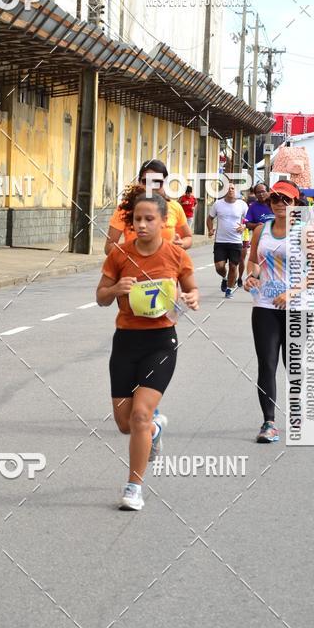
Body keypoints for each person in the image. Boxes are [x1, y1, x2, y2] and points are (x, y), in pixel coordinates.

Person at [97, 191, 200, 511]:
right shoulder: (118, 255)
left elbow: (192, 288)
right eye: (137, 219)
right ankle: (155, 430)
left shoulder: (176, 255)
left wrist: (192, 298)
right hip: (126, 341)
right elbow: (100, 297)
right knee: (125, 423)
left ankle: (133, 487)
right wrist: (115, 289)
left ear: (162, 221)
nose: (141, 225)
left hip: (161, 342)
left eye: (149, 219)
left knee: (140, 414)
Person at [244, 180, 306, 443]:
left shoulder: (306, 232)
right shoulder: (261, 230)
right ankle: (268, 422)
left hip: (297, 307)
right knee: (266, 364)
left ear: (295, 203)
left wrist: (292, 292)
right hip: (265, 305)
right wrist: (251, 276)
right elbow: (253, 262)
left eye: (286, 199)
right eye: (275, 198)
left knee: (291, 364)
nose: (280, 203)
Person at [104, 160, 193, 254]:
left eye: (157, 182)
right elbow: (109, 246)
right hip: (135, 267)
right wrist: (132, 254)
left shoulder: (175, 207)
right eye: (146, 181)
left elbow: (188, 237)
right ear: (139, 182)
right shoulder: (125, 208)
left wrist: (182, 243)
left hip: (167, 267)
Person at [206, 183, 249, 298]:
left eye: (232, 188)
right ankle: (225, 278)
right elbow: (210, 218)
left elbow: (248, 220)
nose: (230, 190)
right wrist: (210, 229)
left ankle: (229, 289)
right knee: (219, 267)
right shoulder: (218, 204)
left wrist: (244, 227)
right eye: (228, 188)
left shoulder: (242, 205)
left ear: (236, 191)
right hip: (220, 241)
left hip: (236, 242)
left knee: (233, 266)